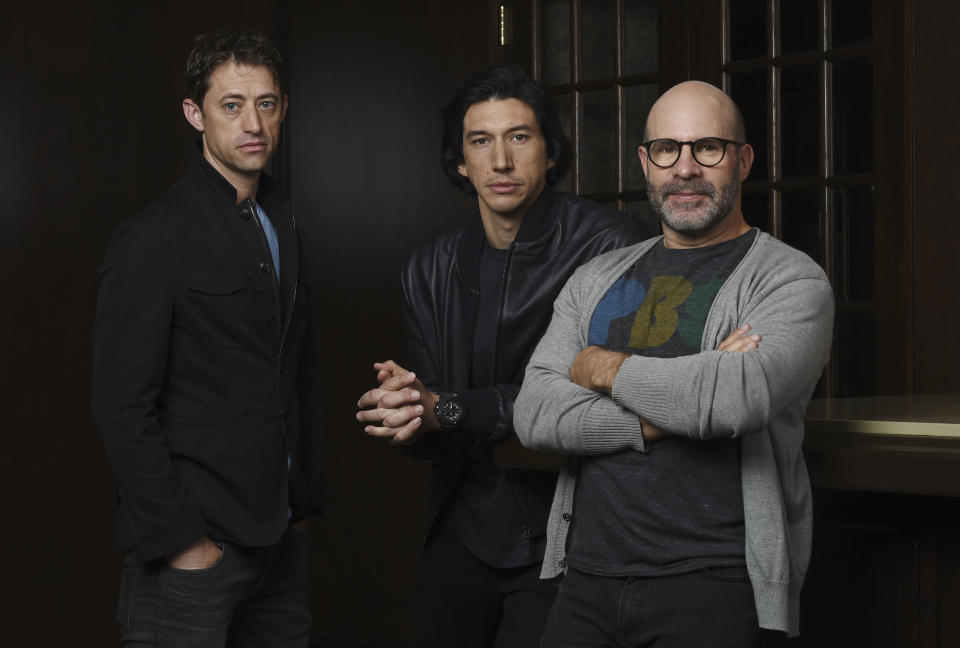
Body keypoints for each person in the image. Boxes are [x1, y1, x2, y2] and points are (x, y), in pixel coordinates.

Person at [513, 80, 835, 646]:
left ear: (744, 159)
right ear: (645, 161)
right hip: (585, 579)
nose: (685, 168)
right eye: (667, 149)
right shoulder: (595, 279)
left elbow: (735, 398)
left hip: (713, 584)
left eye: (707, 147)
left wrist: (602, 368)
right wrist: (680, 402)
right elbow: (535, 413)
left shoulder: (790, 280)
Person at [355, 65, 650, 647]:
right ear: (460, 161)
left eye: (519, 137)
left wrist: (451, 408)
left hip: (568, 530)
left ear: (549, 151)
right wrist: (405, 411)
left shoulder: (612, 246)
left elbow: (596, 399)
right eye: (480, 141)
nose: (501, 161)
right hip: (461, 525)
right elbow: (436, 415)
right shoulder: (429, 263)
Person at [91, 28, 322, 647]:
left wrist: (302, 510)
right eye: (232, 104)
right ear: (195, 114)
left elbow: (296, 376)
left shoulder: (283, 226)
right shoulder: (150, 238)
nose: (253, 122)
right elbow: (120, 405)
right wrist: (183, 543)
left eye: (267, 104)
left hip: (279, 543)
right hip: (194, 547)